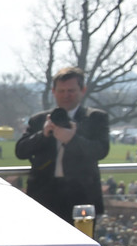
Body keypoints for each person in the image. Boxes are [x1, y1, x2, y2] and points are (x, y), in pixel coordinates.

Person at [15, 67, 110, 224]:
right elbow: (20, 151)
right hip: (43, 197)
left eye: (71, 91)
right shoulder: (39, 120)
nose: (66, 95)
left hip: (81, 197)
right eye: (61, 90)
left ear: (83, 90)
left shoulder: (95, 118)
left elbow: (101, 150)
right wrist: (43, 134)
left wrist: (72, 139)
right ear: (53, 91)